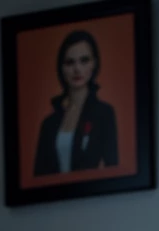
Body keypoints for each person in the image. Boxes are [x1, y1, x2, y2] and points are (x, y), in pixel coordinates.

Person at [33, 29, 118, 176]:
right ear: (61, 68)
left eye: (84, 60)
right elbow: (38, 177)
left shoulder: (104, 113)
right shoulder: (48, 124)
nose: (77, 69)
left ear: (94, 64)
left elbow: (113, 168)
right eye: (69, 62)